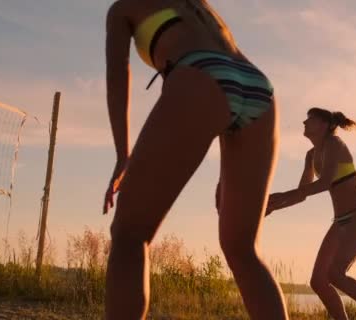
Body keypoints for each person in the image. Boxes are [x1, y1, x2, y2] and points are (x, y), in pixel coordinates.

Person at [102, 0, 288, 319]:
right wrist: (229, 170)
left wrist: (123, 154)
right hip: (258, 86)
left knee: (130, 235)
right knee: (243, 250)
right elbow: (228, 81)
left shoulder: (123, 8)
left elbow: (118, 77)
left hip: (201, 73)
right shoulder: (200, 5)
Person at [267, 107, 356, 320]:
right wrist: (273, 206)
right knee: (318, 281)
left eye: (310, 120)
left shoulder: (334, 143)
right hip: (341, 221)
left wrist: (281, 195)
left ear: (324, 125)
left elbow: (324, 183)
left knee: (335, 273)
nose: (304, 123)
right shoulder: (311, 156)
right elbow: (301, 194)